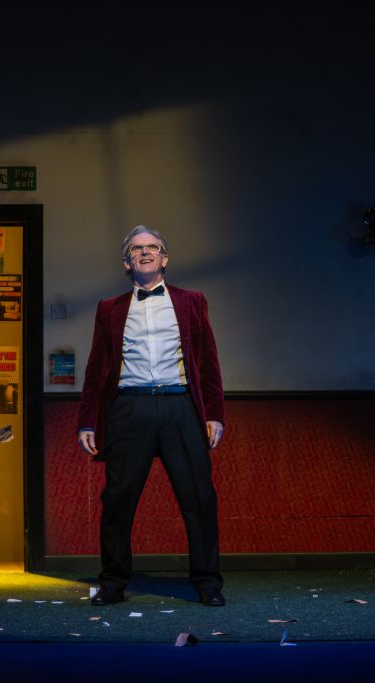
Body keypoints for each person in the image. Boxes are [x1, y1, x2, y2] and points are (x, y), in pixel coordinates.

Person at [77, 225, 226, 607]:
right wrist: (87, 421)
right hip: (130, 408)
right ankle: (112, 582)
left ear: (165, 257)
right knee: (118, 500)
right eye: (136, 248)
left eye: (152, 247)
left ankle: (208, 582)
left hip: (180, 407)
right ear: (126, 261)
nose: (145, 252)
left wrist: (215, 415)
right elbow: (97, 367)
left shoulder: (192, 301)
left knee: (200, 499)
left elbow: (208, 361)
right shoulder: (109, 308)